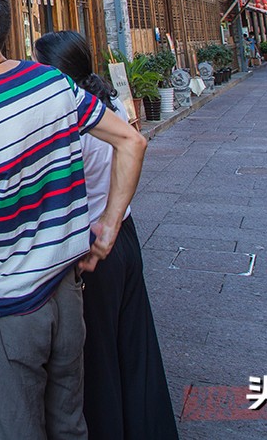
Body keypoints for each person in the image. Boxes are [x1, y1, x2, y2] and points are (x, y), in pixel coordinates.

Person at [0, 0, 147, 440]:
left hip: (8, 308)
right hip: (66, 293)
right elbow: (132, 139)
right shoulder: (53, 82)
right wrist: (107, 227)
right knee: (70, 424)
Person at [33, 31, 177, 440]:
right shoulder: (105, 105)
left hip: (94, 246)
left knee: (96, 359)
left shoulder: (72, 122)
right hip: (123, 235)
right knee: (133, 345)